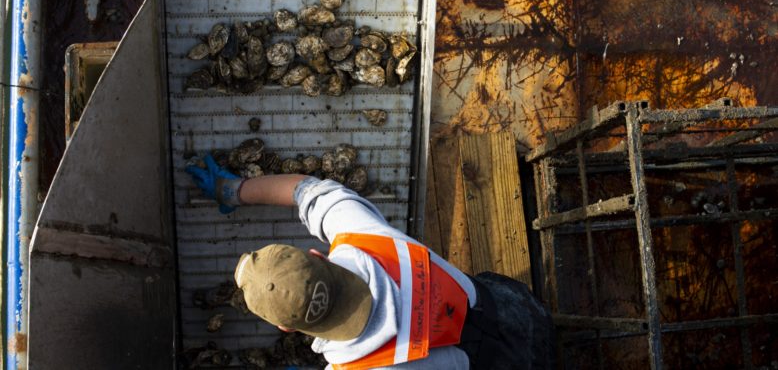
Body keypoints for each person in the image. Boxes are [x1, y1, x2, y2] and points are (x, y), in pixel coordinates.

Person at [187, 155, 554, 369]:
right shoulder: (360, 234)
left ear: (287, 330)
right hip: (519, 311)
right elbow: (303, 190)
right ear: (318, 255)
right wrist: (231, 191)